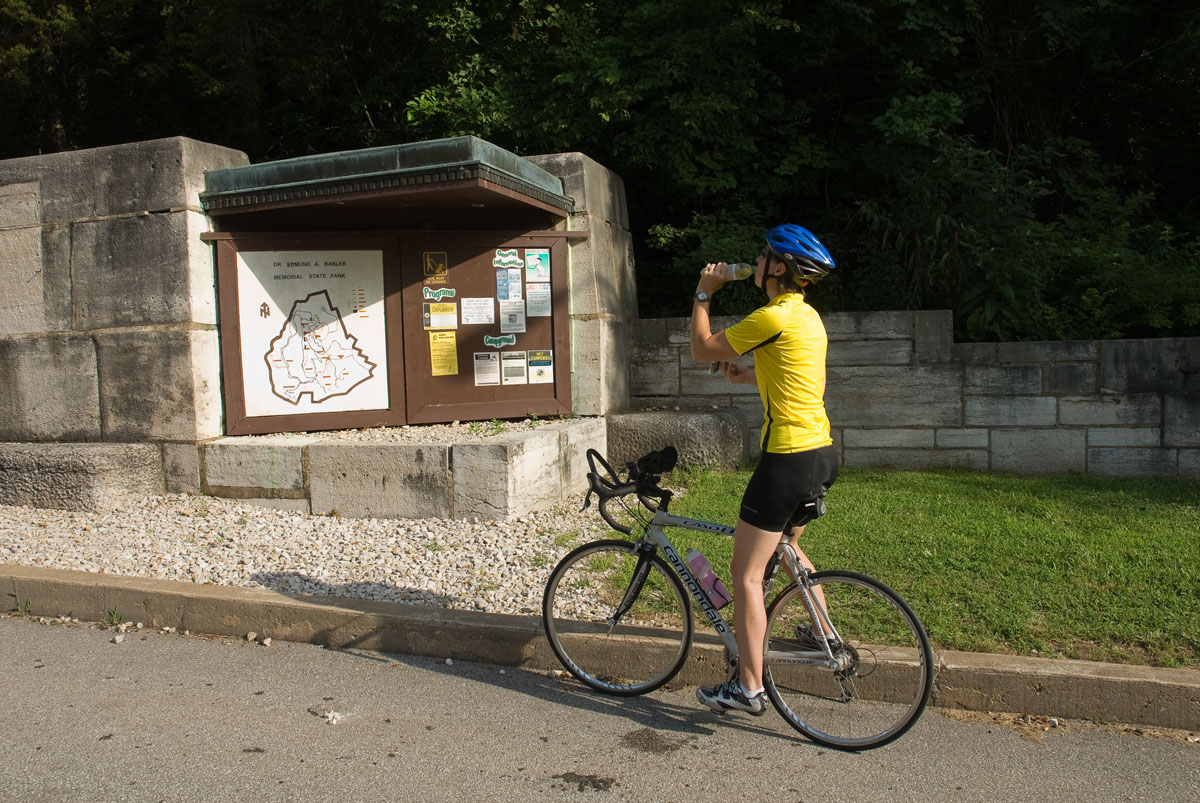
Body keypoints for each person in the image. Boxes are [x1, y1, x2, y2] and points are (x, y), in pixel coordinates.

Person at [689, 223, 840, 715]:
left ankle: (748, 687)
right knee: (790, 547)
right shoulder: (807, 317)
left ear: (778, 268)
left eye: (762, 256)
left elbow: (701, 348)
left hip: (786, 460)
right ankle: (825, 636)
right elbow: (798, 378)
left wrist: (703, 293)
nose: (755, 262)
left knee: (746, 575)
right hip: (821, 453)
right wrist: (749, 373)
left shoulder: (769, 315)